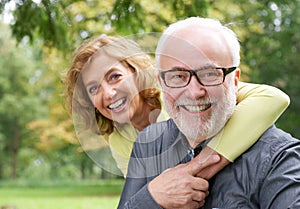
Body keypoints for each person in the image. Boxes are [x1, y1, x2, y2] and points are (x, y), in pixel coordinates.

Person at [117, 17, 300, 209]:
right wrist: (151, 198)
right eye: (178, 76)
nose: (195, 93)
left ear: (235, 80)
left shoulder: (282, 159)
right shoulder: (150, 141)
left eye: (210, 74)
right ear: (161, 82)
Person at [64, 35, 289, 177]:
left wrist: (206, 161)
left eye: (114, 76)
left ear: (136, 73)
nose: (108, 93)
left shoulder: (178, 93)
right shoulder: (119, 139)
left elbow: (273, 98)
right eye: (94, 88)